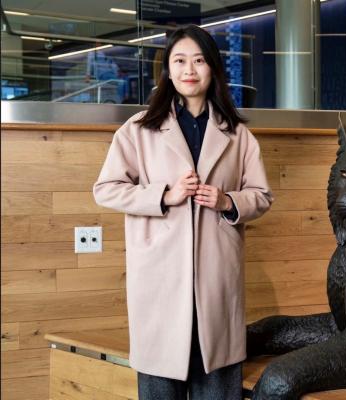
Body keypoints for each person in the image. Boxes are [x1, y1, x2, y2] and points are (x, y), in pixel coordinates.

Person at [93, 25, 273, 400]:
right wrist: (163, 196)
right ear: (168, 71)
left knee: (218, 382)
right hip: (160, 283)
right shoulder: (138, 130)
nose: (189, 69)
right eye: (179, 61)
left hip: (216, 282)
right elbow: (106, 189)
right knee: (160, 383)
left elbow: (261, 195)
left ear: (212, 69)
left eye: (199, 60)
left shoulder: (238, 134)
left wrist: (228, 201)